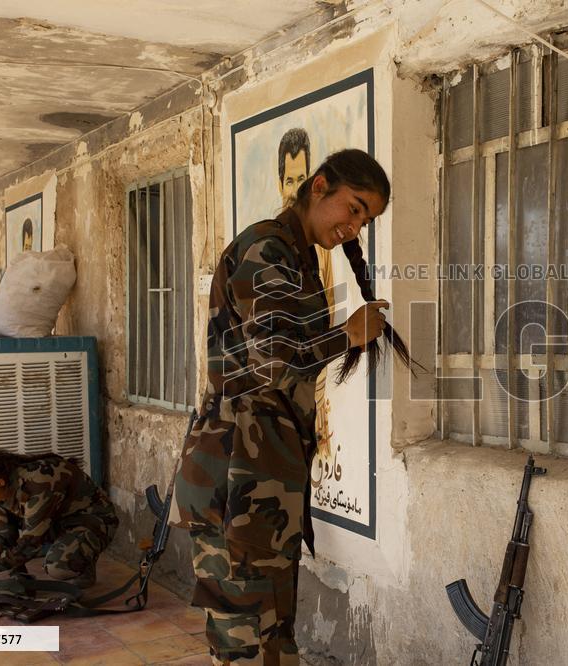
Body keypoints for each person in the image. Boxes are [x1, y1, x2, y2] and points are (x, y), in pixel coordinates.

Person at [172, 148, 415, 665]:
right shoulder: (267, 249)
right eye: (354, 208)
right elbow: (271, 363)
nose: (355, 226)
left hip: (266, 474)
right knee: (242, 639)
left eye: (365, 220)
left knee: (274, 634)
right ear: (320, 186)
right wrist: (346, 336)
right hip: (235, 473)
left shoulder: (300, 256)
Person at [0, 449, 118, 588]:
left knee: (58, 567)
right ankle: (17, 573)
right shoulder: (6, 477)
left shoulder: (40, 484)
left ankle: (82, 564)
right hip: (55, 521)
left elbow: (28, 547)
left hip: (92, 522)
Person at [275, 128, 336, 459]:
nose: (294, 191)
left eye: (302, 181)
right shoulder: (266, 247)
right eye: (289, 181)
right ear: (279, 183)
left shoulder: (320, 248)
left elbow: (327, 310)